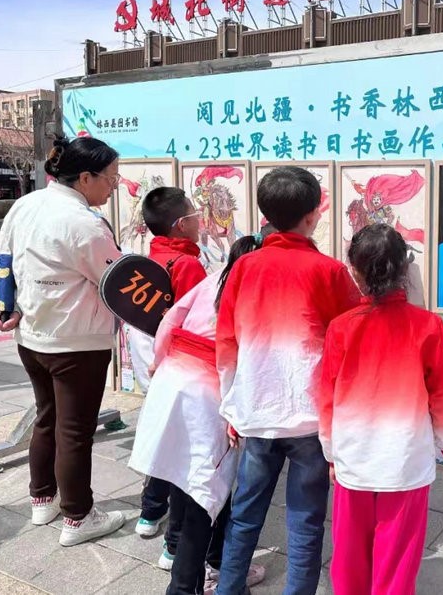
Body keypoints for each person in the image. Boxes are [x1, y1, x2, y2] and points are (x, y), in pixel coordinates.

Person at [216, 166, 361, 595]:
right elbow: (350, 344)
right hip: (309, 417)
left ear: (265, 214)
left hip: (256, 410)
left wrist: (231, 406)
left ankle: (228, 588)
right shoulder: (330, 271)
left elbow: (226, 343)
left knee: (244, 514)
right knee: (306, 522)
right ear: (314, 214)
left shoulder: (244, 268)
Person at [318, 223, 443, 594]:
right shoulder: (429, 326)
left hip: (354, 457)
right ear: (404, 268)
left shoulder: (340, 328)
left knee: (349, 558)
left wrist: (332, 455)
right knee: (398, 560)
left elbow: (326, 398)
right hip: (406, 461)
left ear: (355, 271)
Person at [0, 136, 125, 546]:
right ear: (85, 177)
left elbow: (2, 262)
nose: (114, 186)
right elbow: (116, 280)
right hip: (76, 342)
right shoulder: (85, 223)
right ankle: (78, 516)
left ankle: (42, 499)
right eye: (111, 178)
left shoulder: (25, 205)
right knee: (75, 430)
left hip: (32, 336)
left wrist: (6, 307)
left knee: (47, 418)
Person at [129, 230, 276, 595]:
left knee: (184, 480)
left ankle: (200, 565)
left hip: (171, 379)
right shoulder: (255, 295)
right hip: (208, 395)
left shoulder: (213, 280)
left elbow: (169, 320)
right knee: (203, 495)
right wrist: (239, 413)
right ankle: (185, 586)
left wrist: (157, 363)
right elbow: (243, 361)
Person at [133, 187, 209, 568]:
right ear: (181, 224)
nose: (199, 219)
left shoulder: (152, 257)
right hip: (180, 367)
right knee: (182, 454)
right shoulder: (188, 265)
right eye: (194, 214)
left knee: (164, 439)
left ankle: (149, 513)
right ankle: (174, 545)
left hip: (153, 364)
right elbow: (197, 322)